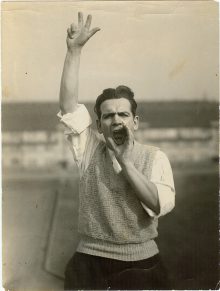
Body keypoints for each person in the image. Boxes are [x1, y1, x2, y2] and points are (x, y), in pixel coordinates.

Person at [58, 12, 175, 290]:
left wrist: (127, 164)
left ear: (135, 121)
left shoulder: (155, 157)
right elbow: (68, 107)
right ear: (98, 124)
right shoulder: (89, 149)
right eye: (108, 116)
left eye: (123, 114)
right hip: (88, 263)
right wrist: (74, 51)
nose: (117, 120)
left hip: (142, 266)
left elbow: (158, 205)